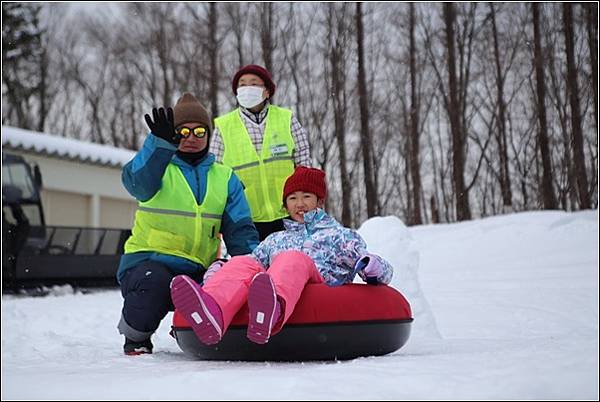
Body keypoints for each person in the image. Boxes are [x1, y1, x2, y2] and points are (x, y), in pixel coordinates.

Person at [170, 166, 394, 346]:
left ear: (319, 201)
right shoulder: (276, 239)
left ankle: (272, 311)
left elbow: (378, 270)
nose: (300, 204)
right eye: (293, 198)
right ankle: (214, 312)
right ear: (285, 205)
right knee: (244, 261)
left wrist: (371, 266)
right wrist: (220, 270)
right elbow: (251, 266)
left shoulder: (340, 236)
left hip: (319, 286)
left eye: (307, 196)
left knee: (291, 259)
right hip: (278, 283)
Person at [117, 92, 259, 355]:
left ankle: (190, 330)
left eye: (199, 131)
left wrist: (252, 268)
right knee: (155, 284)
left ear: (208, 136)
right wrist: (158, 144)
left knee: (223, 287)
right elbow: (136, 183)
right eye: (183, 131)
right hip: (149, 263)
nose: (191, 137)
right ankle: (136, 337)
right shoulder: (159, 167)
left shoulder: (224, 178)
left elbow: (240, 230)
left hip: (197, 271)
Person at [211, 64, 311, 240]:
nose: (247, 89)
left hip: (288, 215)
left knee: (289, 264)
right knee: (254, 266)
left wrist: (303, 204)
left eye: (254, 84)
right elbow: (215, 174)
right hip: (245, 219)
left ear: (266, 91)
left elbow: (304, 165)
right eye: (242, 85)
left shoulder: (286, 119)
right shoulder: (224, 126)